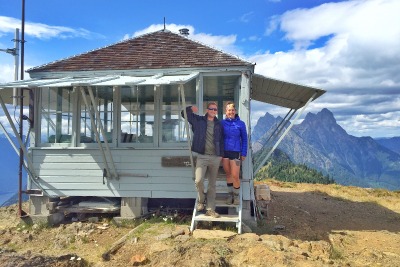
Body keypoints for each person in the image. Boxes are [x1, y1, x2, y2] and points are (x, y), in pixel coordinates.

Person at [181, 102, 224, 218]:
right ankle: (201, 201)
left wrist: (221, 155)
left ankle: (210, 209)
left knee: (212, 184)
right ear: (207, 110)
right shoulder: (198, 120)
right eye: (211, 109)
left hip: (215, 157)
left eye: (215, 109)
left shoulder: (219, 124)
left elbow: (222, 139)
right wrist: (190, 108)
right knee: (198, 180)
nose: (213, 111)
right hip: (202, 156)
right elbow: (184, 114)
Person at [221, 102, 248, 205]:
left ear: (235, 111)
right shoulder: (222, 123)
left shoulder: (241, 123)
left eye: (232, 110)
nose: (231, 112)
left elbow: (244, 139)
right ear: (226, 112)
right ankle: (230, 195)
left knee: (235, 175)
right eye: (229, 110)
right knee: (228, 174)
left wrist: (244, 153)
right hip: (225, 152)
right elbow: (219, 138)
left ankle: (236, 196)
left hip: (236, 152)